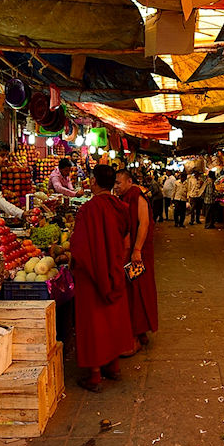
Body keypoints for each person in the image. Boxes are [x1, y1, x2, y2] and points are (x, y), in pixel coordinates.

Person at [70, 165, 136, 392]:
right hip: (114, 267)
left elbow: (78, 246)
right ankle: (114, 367)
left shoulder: (88, 209)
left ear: (95, 182)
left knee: (94, 322)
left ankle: (95, 375)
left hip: (92, 272)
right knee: (113, 318)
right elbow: (126, 237)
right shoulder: (121, 206)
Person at [114, 169, 157, 350]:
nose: (116, 186)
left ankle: (137, 335)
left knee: (138, 291)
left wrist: (137, 249)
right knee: (133, 292)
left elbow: (144, 223)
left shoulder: (137, 197)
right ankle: (140, 332)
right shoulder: (124, 198)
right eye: (114, 183)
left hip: (138, 253)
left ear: (129, 181)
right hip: (129, 251)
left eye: (119, 183)